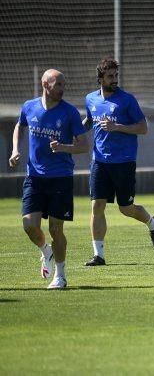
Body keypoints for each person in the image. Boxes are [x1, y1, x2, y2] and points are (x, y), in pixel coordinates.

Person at [9, 69, 90, 290]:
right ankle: (46, 250)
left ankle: (60, 276)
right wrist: (15, 150)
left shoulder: (70, 113)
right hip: (34, 177)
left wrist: (64, 147)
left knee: (56, 228)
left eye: (64, 85)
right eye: (58, 85)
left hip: (60, 178)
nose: (63, 89)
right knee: (29, 225)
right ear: (45, 85)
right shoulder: (29, 106)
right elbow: (20, 125)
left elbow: (84, 145)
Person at [83, 58, 154, 266]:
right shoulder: (90, 99)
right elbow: (89, 122)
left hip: (124, 162)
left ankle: (152, 223)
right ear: (100, 78)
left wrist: (117, 126)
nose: (114, 79)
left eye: (116, 75)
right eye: (110, 76)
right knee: (97, 206)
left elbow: (142, 128)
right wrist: (71, 130)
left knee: (125, 209)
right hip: (99, 161)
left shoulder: (127, 100)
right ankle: (98, 255)